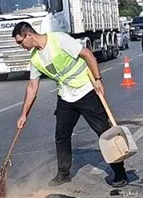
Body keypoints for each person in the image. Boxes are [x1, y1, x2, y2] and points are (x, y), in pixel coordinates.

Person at [13, 23, 129, 188]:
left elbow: (87, 54)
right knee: (61, 136)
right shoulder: (35, 58)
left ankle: (120, 173)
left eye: (20, 42)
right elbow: (32, 87)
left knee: (104, 133)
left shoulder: (58, 39)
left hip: (86, 90)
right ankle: (63, 174)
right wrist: (23, 114)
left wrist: (98, 79)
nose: (20, 47)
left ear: (29, 35)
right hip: (66, 96)